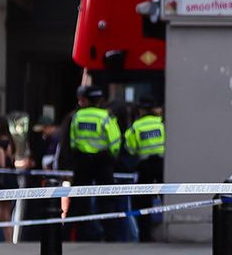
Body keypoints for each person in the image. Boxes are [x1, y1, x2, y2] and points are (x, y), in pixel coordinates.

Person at [68, 85, 121, 241]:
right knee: (106, 199)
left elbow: (73, 141)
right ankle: (110, 236)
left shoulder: (78, 116)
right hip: (102, 161)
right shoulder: (105, 117)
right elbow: (115, 140)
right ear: (99, 100)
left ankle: (81, 235)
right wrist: (112, 156)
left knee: (79, 199)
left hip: (83, 161)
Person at [123, 101, 166, 242]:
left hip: (144, 165)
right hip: (162, 164)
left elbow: (131, 149)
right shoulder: (161, 123)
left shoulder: (136, 127)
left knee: (142, 200)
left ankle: (145, 235)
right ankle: (166, 229)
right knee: (166, 195)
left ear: (140, 110)